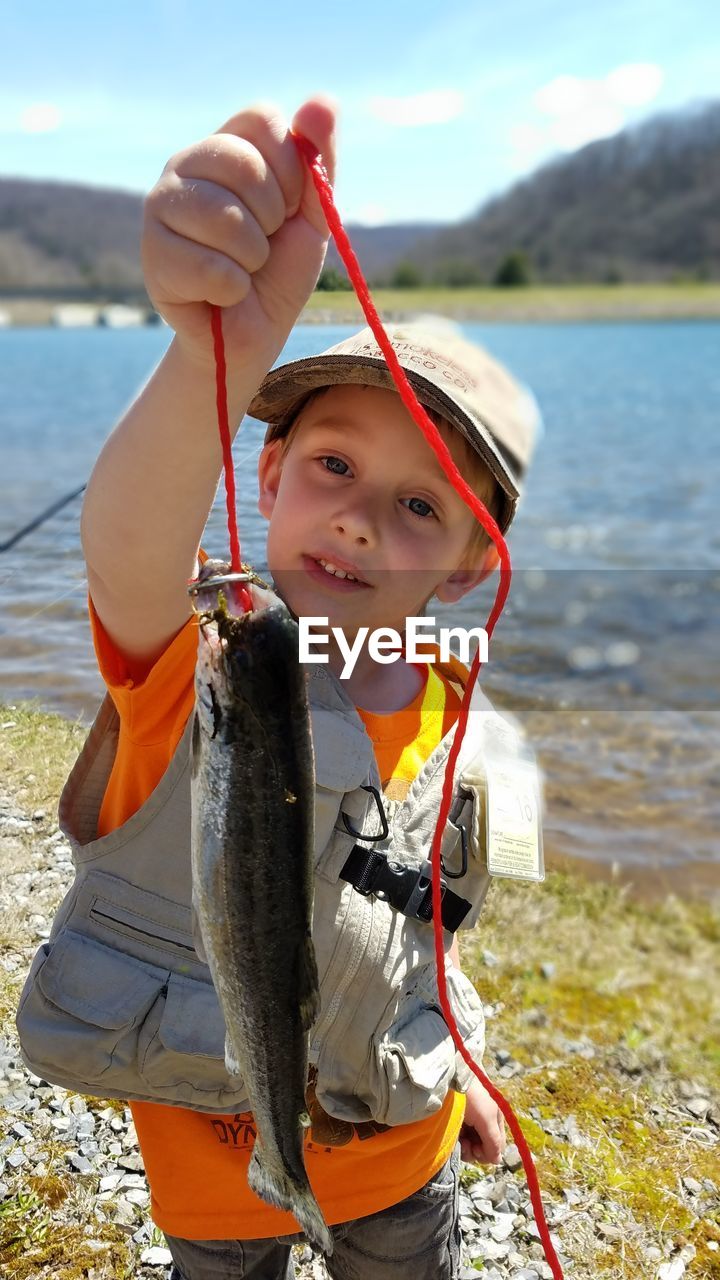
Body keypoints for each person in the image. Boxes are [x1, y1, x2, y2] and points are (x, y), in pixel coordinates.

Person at [15, 97, 542, 1279]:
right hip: (218, 1180)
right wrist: (214, 354)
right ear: (269, 473)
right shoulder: (205, 659)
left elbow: (417, 934)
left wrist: (467, 1073)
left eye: (418, 504)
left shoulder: (449, 716)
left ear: (467, 562)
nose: (358, 512)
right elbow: (131, 547)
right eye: (335, 464)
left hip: (407, 1158)